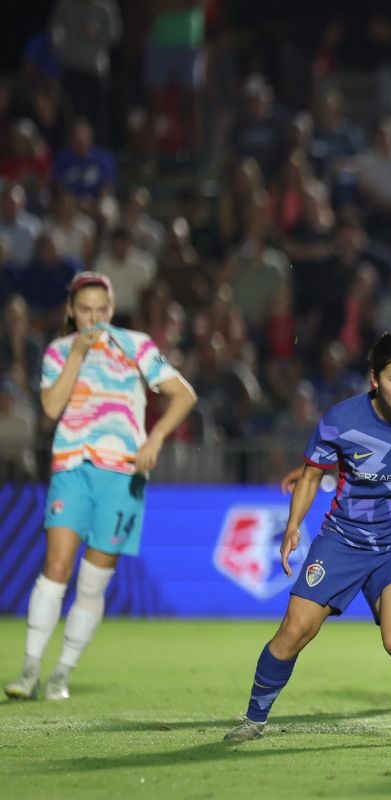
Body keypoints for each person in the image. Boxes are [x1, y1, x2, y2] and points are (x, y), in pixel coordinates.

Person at [223, 332, 391, 743]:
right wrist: (293, 526)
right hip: (344, 539)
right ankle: (254, 720)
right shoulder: (341, 420)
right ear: (374, 380)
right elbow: (311, 474)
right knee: (293, 631)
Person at [4, 272, 196, 701]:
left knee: (92, 583)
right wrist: (76, 353)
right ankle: (30, 670)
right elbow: (52, 407)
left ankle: (62, 673)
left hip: (124, 475)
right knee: (56, 566)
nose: (93, 319)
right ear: (71, 311)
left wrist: (156, 437)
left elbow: (183, 394)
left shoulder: (135, 345)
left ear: (111, 310)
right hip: (72, 465)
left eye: (101, 310)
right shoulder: (58, 350)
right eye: (85, 310)